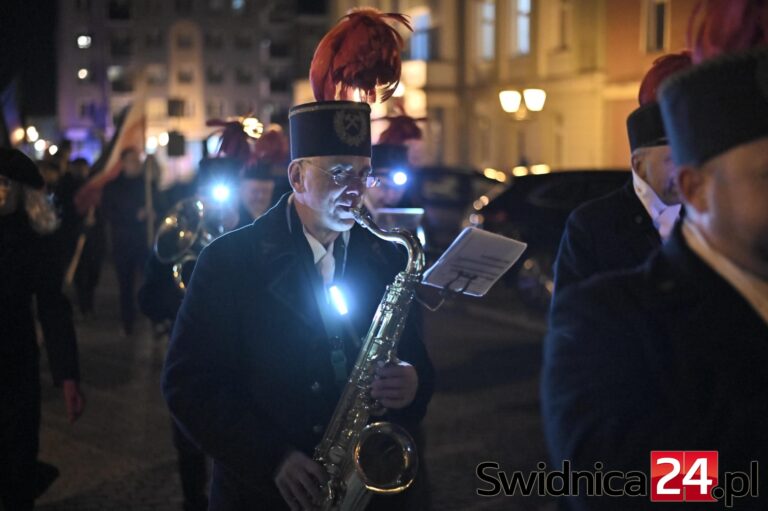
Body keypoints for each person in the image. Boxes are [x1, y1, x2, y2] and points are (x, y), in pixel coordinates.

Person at [163, 9, 433, 510]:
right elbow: (188, 386)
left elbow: (416, 356)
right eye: (336, 175)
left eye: (362, 174)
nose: (354, 191)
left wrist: (414, 382)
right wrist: (273, 457)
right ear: (296, 178)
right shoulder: (228, 262)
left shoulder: (387, 256)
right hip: (262, 493)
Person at [542, 23, 768, 511]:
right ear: (696, 188)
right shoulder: (604, 316)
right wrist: (746, 477)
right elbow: (608, 478)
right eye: (765, 175)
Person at [552, 52, 692, 294]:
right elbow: (571, 323)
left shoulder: (710, 218)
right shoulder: (592, 226)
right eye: (674, 159)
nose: (688, 172)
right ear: (639, 165)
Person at [0, 149, 85, 510]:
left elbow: (52, 306)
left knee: (17, 464)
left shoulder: (32, 236)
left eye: (2, 184)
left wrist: (67, 375)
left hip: (14, 358)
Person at [101, 147, 152, 336]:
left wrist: (154, 214)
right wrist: (134, 216)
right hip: (123, 244)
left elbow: (160, 205)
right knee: (125, 285)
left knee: (149, 282)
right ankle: (127, 321)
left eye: (137, 160)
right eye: (132, 160)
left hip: (144, 243)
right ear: (123, 163)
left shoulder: (147, 185)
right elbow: (108, 213)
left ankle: (153, 319)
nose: (136, 163)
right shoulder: (112, 187)